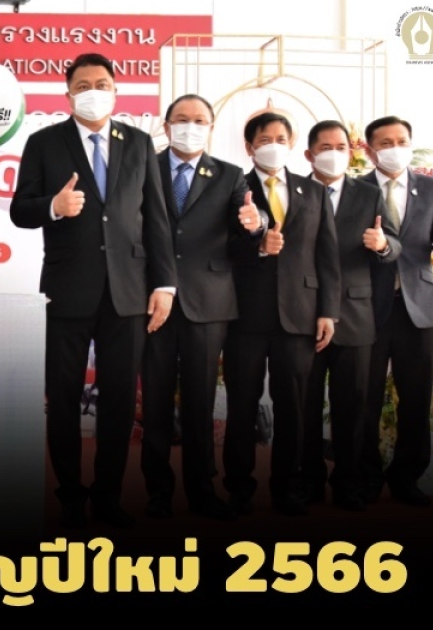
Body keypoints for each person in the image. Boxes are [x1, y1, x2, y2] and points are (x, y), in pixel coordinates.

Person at [10, 52, 176, 529]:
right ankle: (70, 496)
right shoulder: (44, 142)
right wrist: (54, 206)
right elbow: (21, 209)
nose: (93, 92)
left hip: (129, 291)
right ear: (68, 95)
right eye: (82, 86)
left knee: (120, 401)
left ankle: (107, 497)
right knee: (62, 398)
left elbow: (156, 218)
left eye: (101, 84)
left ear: (116, 91)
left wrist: (164, 283)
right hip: (67, 289)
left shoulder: (139, 142)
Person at [141, 94, 265, 522]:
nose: (189, 127)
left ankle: (202, 490)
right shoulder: (144, 168)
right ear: (166, 125)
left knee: (199, 403)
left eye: (199, 120)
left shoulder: (229, 175)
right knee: (155, 402)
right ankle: (157, 491)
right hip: (153, 300)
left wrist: (256, 227)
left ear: (210, 128)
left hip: (209, 303)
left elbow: (246, 225)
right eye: (181, 119)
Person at [222, 110, 340, 517]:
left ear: (291, 145)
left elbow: (327, 256)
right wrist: (257, 247)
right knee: (241, 405)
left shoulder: (315, 191)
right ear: (249, 147)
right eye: (264, 139)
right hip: (246, 316)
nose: (273, 145)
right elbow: (221, 250)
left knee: (295, 408)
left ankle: (289, 487)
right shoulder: (233, 187)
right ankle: (239, 488)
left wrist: (328, 311)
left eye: (280, 139)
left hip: (300, 316)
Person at [360, 115, 433, 507]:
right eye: (385, 143)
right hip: (367, 307)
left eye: (401, 141)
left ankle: (407, 477)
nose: (395, 148)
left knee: (416, 398)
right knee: (364, 397)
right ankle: (366, 477)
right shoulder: (357, 189)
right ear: (370, 149)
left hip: (417, 307)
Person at [300, 120, 401, 512]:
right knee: (305, 405)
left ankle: (348, 483)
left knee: (354, 407)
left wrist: (382, 244)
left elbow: (393, 245)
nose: (334, 153)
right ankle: (309, 480)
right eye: (325, 147)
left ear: (352, 151)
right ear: (309, 154)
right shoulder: (296, 191)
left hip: (357, 314)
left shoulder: (369, 193)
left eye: (341, 147)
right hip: (305, 314)